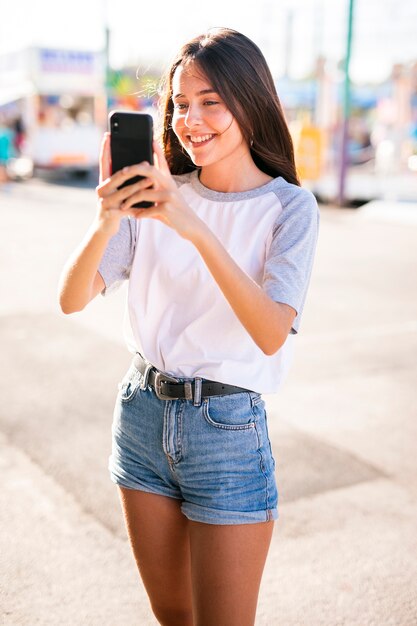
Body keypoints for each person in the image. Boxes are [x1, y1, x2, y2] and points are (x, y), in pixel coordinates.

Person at [58, 27, 319, 626]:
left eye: (211, 102)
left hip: (225, 430)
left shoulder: (289, 209)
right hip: (142, 414)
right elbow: (72, 299)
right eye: (179, 102)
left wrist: (192, 225)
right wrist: (105, 220)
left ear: (250, 103)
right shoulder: (157, 195)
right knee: (173, 618)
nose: (190, 119)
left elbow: (271, 331)